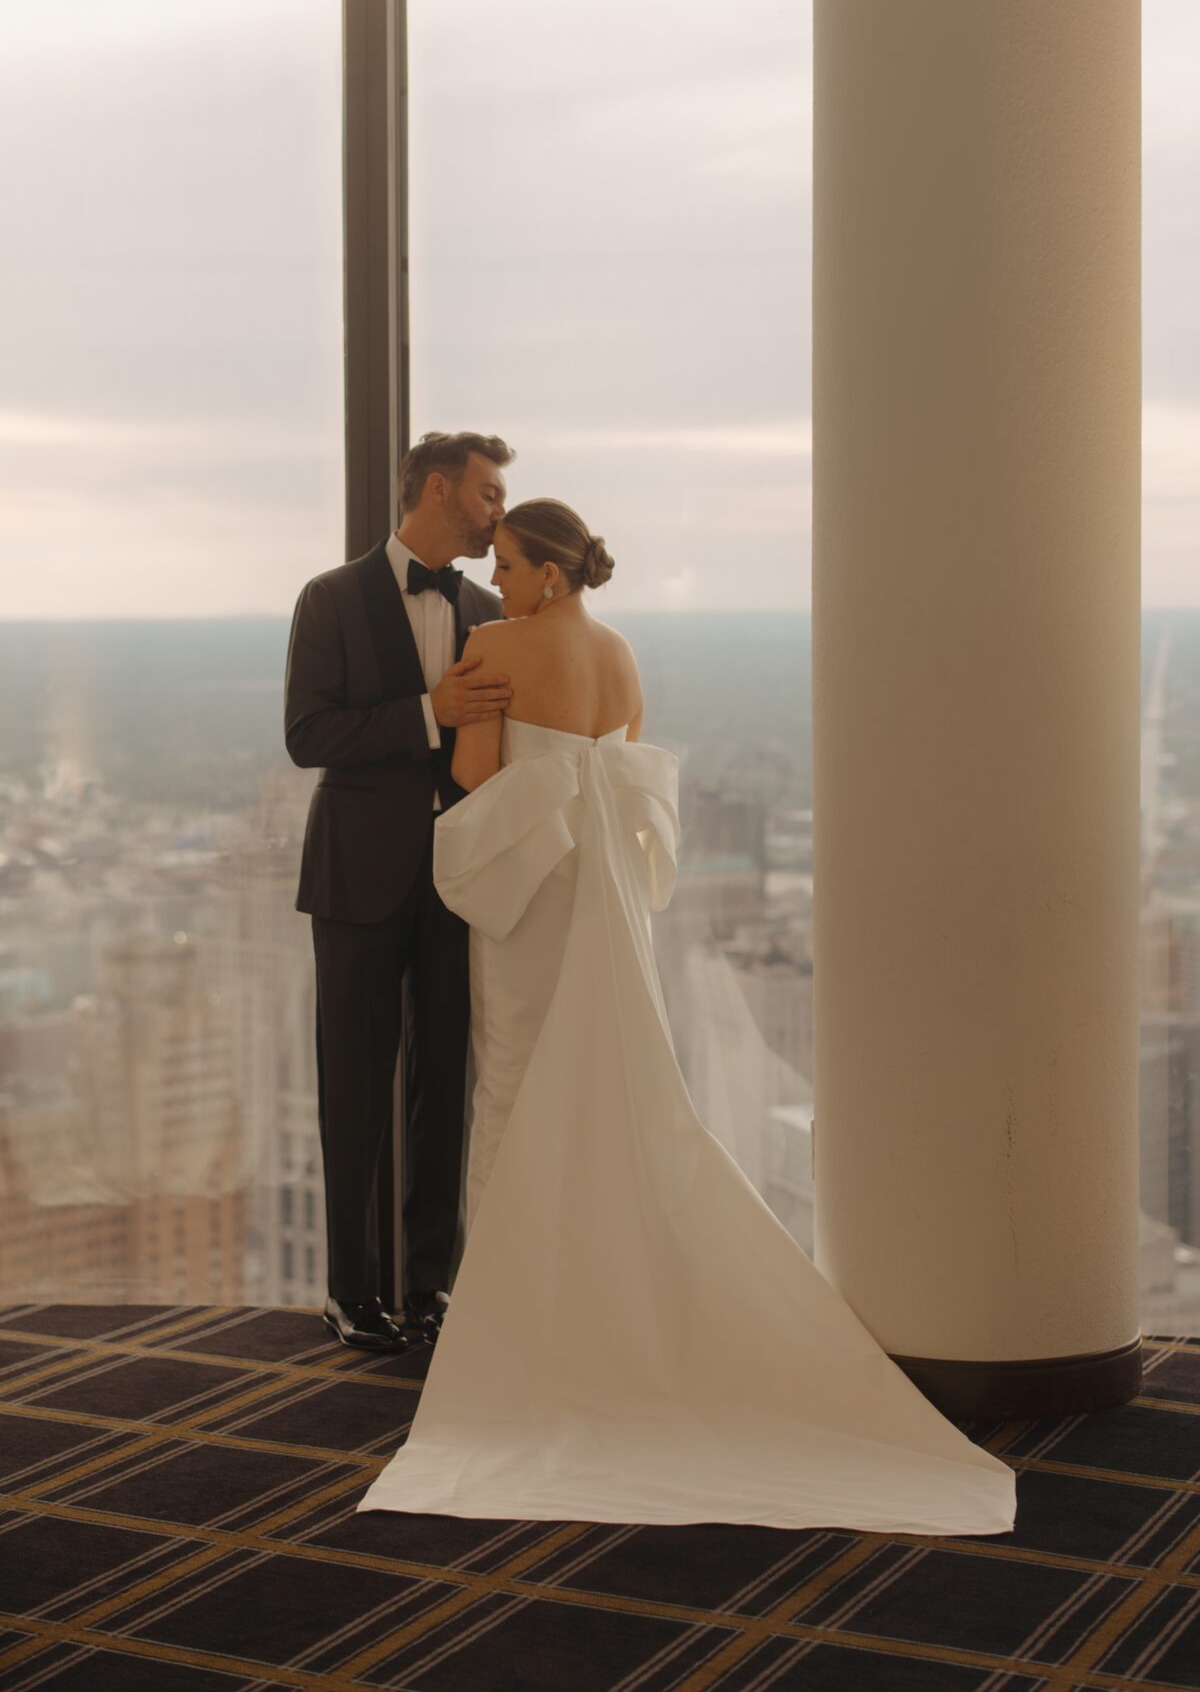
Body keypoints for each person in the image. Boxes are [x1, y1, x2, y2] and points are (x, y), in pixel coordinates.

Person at [358, 499, 1017, 1533]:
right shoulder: (621, 655)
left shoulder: (492, 646)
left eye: (513, 563)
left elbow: (479, 776)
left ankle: (524, 1327)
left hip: (532, 895)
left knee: (514, 1083)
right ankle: (615, 1308)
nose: (498, 577)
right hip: (606, 893)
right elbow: (621, 766)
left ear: (553, 576)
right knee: (616, 1081)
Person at [284, 431, 514, 1352]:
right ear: (434, 488)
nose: (499, 510)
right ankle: (352, 1293)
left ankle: (429, 1290)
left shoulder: (493, 610)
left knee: (444, 1086)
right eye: (489, 492)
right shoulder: (330, 598)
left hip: (459, 879)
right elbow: (307, 734)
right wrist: (431, 715)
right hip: (356, 878)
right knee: (354, 1087)